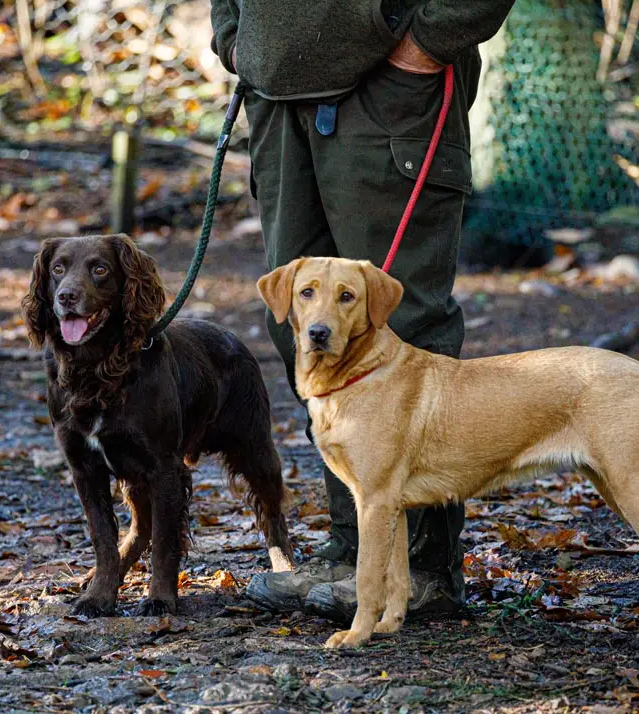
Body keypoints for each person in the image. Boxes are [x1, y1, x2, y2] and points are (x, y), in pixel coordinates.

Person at [209, 0, 515, 624]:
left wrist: (425, 43)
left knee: (393, 323)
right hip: (276, 97)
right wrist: (235, 40)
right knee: (301, 325)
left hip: (390, 90)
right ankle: (355, 552)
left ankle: (423, 569)